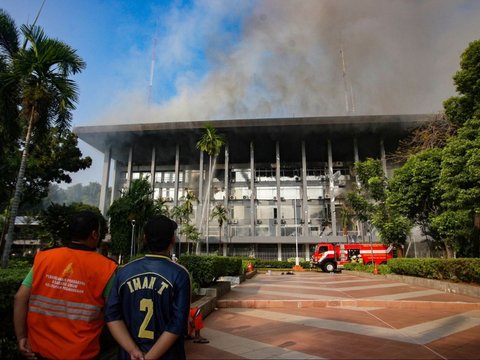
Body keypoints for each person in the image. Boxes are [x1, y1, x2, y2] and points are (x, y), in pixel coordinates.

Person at [13, 210, 118, 360]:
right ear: (95, 234)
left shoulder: (44, 258)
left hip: (38, 350)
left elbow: (19, 298)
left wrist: (21, 337)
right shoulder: (106, 268)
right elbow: (113, 313)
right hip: (81, 353)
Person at [105, 215, 191, 360]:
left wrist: (133, 350)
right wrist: (150, 357)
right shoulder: (179, 274)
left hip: (129, 356)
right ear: (172, 240)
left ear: (144, 238)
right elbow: (178, 324)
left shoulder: (124, 272)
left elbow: (112, 315)